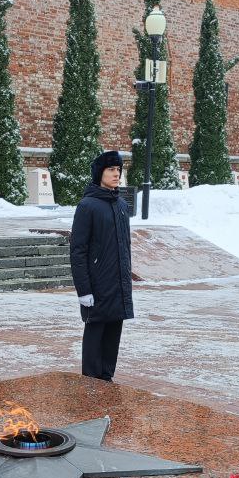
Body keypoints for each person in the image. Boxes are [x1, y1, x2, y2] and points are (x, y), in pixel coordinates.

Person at [70, 150, 133, 382]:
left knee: (113, 336)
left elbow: (124, 247)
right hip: (97, 286)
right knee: (95, 335)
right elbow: (78, 251)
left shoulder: (121, 206)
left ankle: (107, 381)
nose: (116, 174)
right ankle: (90, 385)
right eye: (111, 170)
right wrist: (83, 290)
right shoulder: (88, 206)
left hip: (117, 283)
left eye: (118, 170)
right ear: (100, 173)